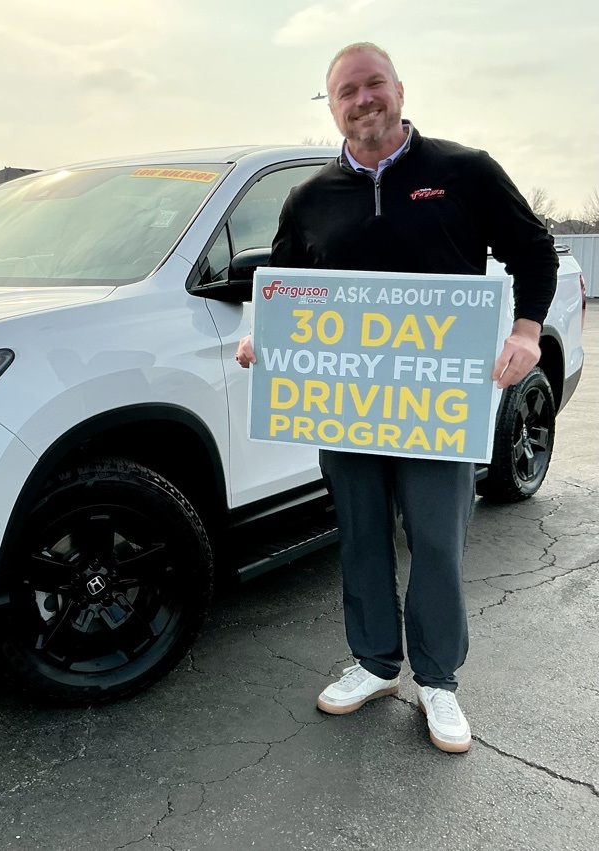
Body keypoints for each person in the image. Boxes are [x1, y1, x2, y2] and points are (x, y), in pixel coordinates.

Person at [236, 42, 557, 753]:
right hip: (344, 408)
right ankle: (377, 663)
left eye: (372, 83)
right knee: (361, 534)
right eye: (346, 91)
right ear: (334, 107)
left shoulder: (461, 171)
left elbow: (532, 250)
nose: (362, 99)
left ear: (400, 91)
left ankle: (438, 681)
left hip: (436, 408)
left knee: (437, 543)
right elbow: (284, 284)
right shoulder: (310, 198)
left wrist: (529, 331)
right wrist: (266, 337)